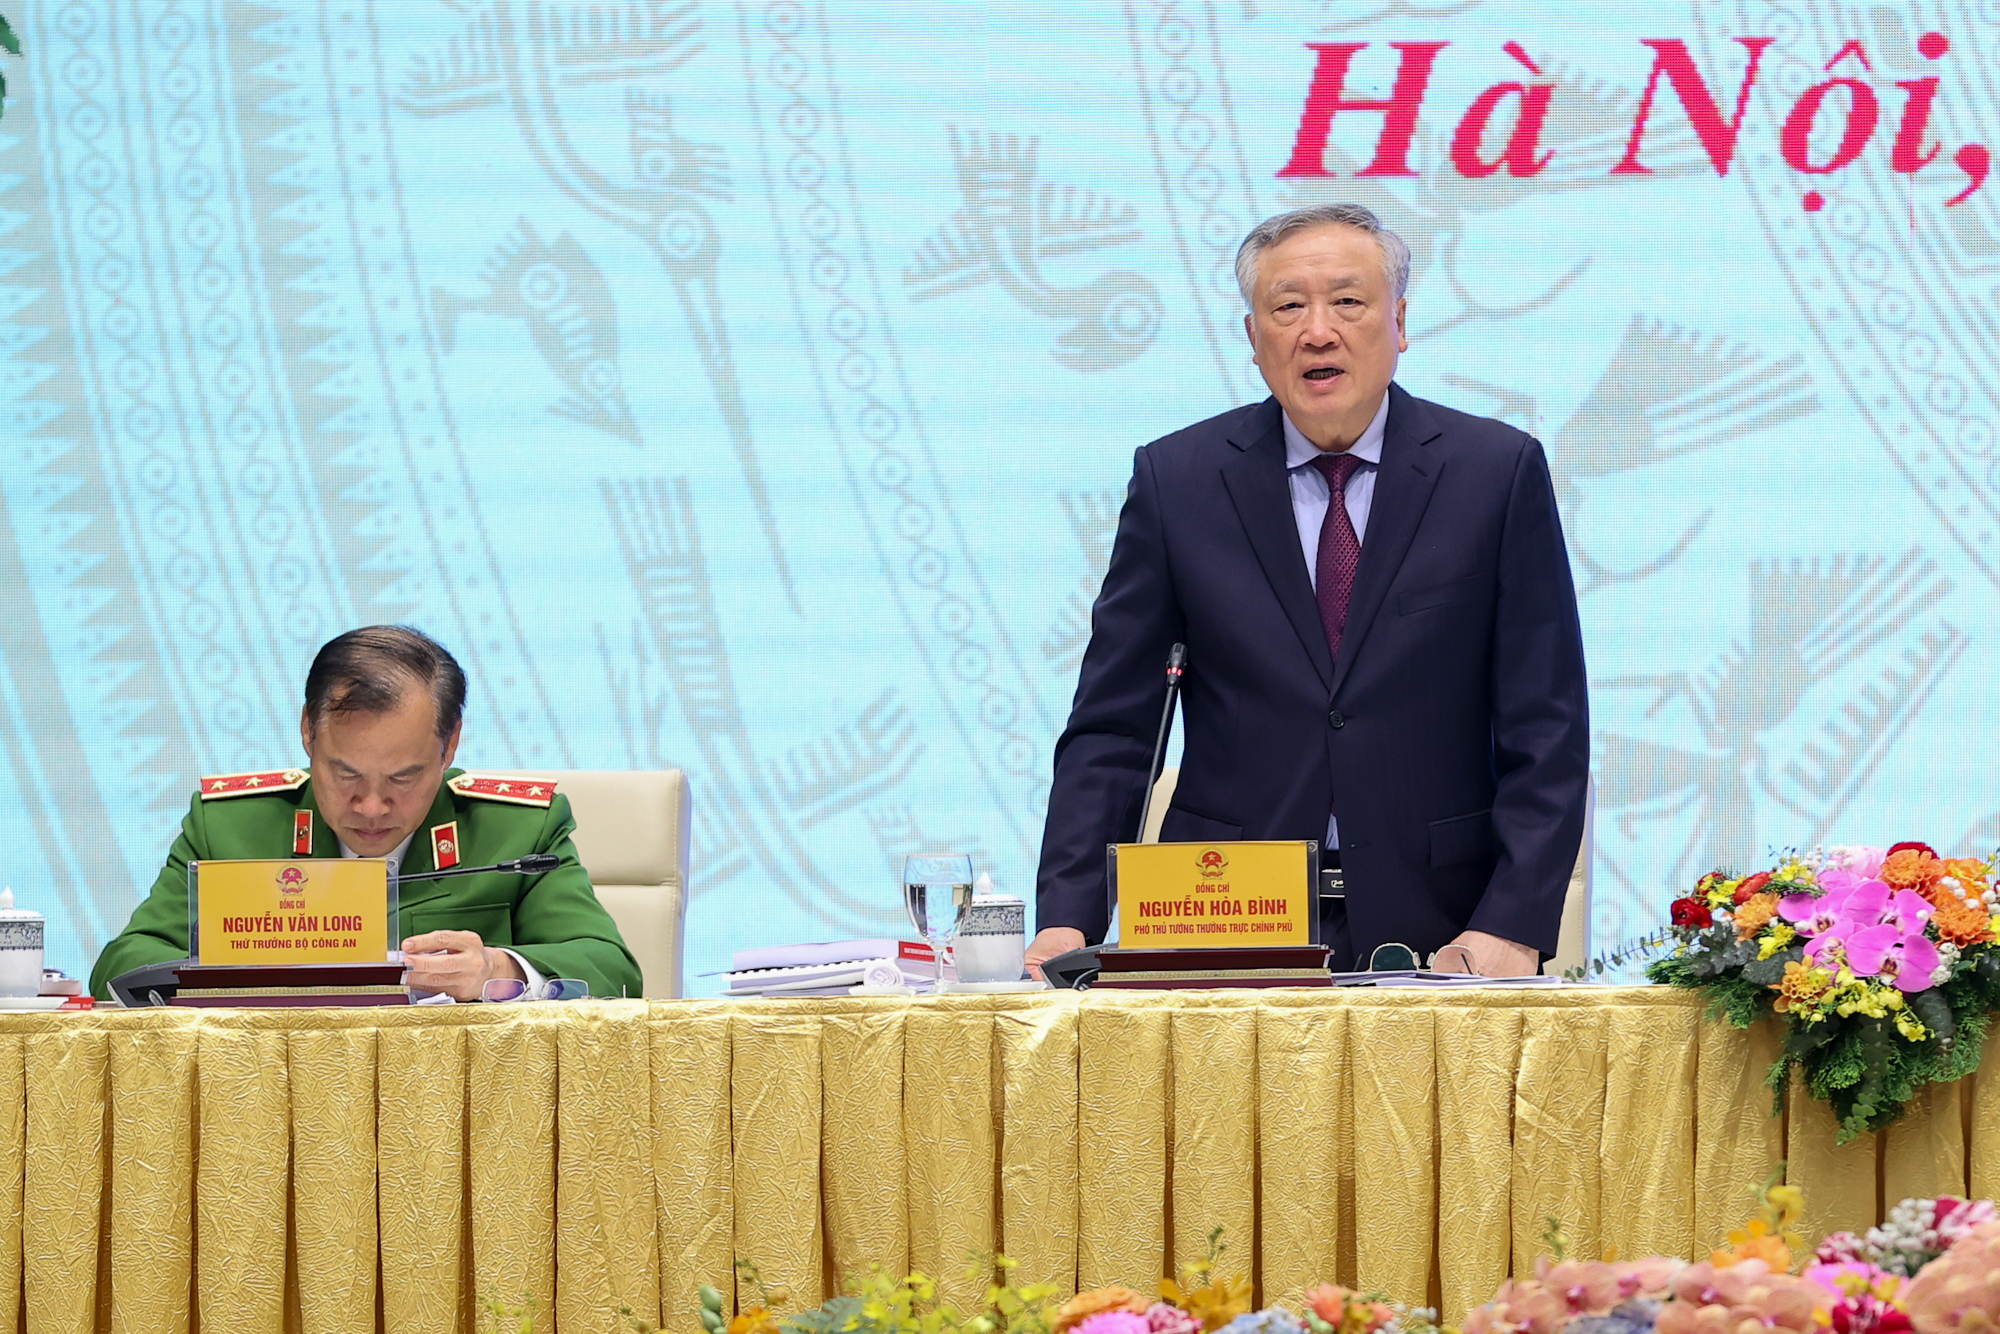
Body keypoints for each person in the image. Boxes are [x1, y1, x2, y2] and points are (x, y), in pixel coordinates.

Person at [1028, 204, 1588, 977]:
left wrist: (1511, 926)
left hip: (1444, 925)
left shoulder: (1494, 472)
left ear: (1399, 322)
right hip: (1221, 919)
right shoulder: (1177, 481)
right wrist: (1067, 916)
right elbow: (1114, 729)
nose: (1317, 331)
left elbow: (1547, 726)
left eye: (1348, 302)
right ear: (1253, 337)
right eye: (1288, 306)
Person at [91, 626, 642, 1001]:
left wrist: (498, 969)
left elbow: (613, 971)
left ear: (450, 745)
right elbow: (120, 966)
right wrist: (234, 973)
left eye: (403, 778)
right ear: (308, 732)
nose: (372, 807)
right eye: (346, 774)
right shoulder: (231, 826)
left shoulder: (519, 829)